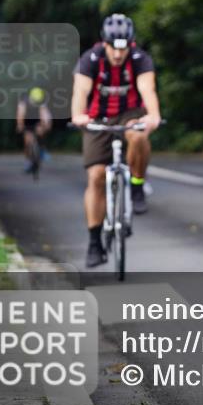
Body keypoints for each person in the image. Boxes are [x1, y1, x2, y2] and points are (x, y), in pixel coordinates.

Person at [70, 14, 161, 268]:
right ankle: (94, 242)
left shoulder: (139, 59)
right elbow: (81, 91)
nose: (118, 55)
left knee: (139, 137)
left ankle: (137, 184)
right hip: (97, 116)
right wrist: (79, 115)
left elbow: (147, 90)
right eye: (113, 48)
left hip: (130, 113)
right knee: (96, 177)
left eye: (123, 48)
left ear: (130, 44)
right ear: (105, 43)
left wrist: (153, 115)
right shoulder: (90, 59)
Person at [16, 87, 52, 174]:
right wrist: (20, 125)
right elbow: (20, 115)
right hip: (27, 121)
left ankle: (42, 148)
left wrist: (46, 126)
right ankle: (27, 161)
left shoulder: (41, 103)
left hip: (37, 121)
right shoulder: (24, 103)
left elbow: (46, 115)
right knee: (27, 141)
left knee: (41, 131)